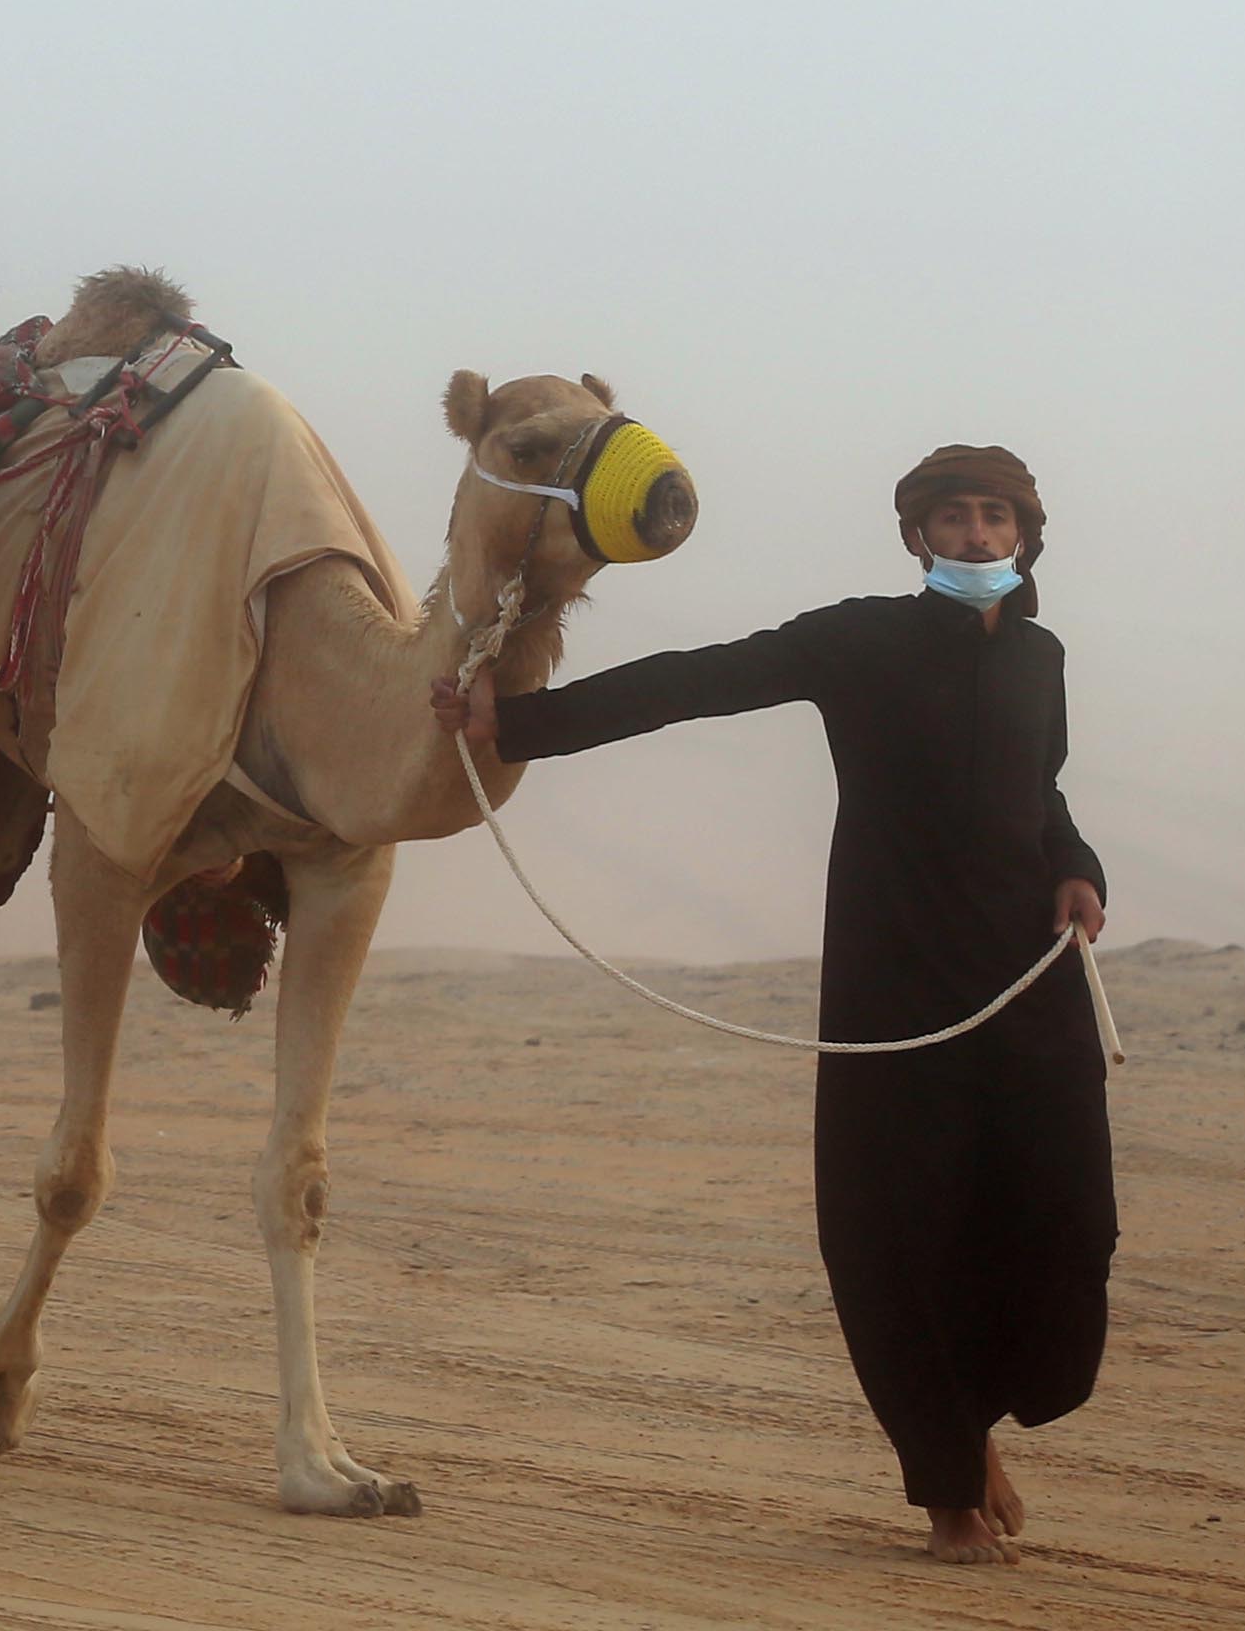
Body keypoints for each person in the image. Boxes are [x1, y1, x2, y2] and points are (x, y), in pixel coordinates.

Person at [438, 444, 1110, 1567]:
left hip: (1027, 986)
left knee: (1060, 1218)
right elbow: (696, 680)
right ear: (918, 539)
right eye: (955, 521)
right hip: (894, 986)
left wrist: (1076, 866)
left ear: (1027, 537)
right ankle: (944, 1486)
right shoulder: (863, 639)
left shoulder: (1041, 655)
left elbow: (1039, 786)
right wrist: (520, 722)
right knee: (904, 1232)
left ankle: (973, 1426)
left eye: (998, 519)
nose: (979, 538)